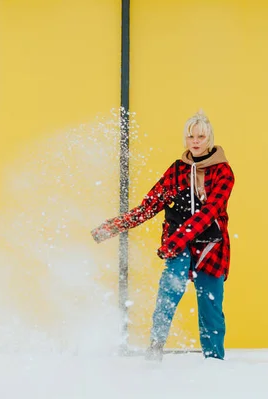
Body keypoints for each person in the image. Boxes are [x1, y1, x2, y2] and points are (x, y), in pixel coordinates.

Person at [91, 110, 235, 361]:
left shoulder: (223, 172)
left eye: (201, 136)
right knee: (166, 300)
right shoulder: (177, 170)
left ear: (209, 137)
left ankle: (214, 364)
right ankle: (154, 355)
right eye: (191, 136)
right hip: (179, 246)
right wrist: (111, 227)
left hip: (210, 246)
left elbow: (211, 212)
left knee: (211, 309)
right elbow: (149, 206)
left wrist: (176, 240)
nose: (196, 141)